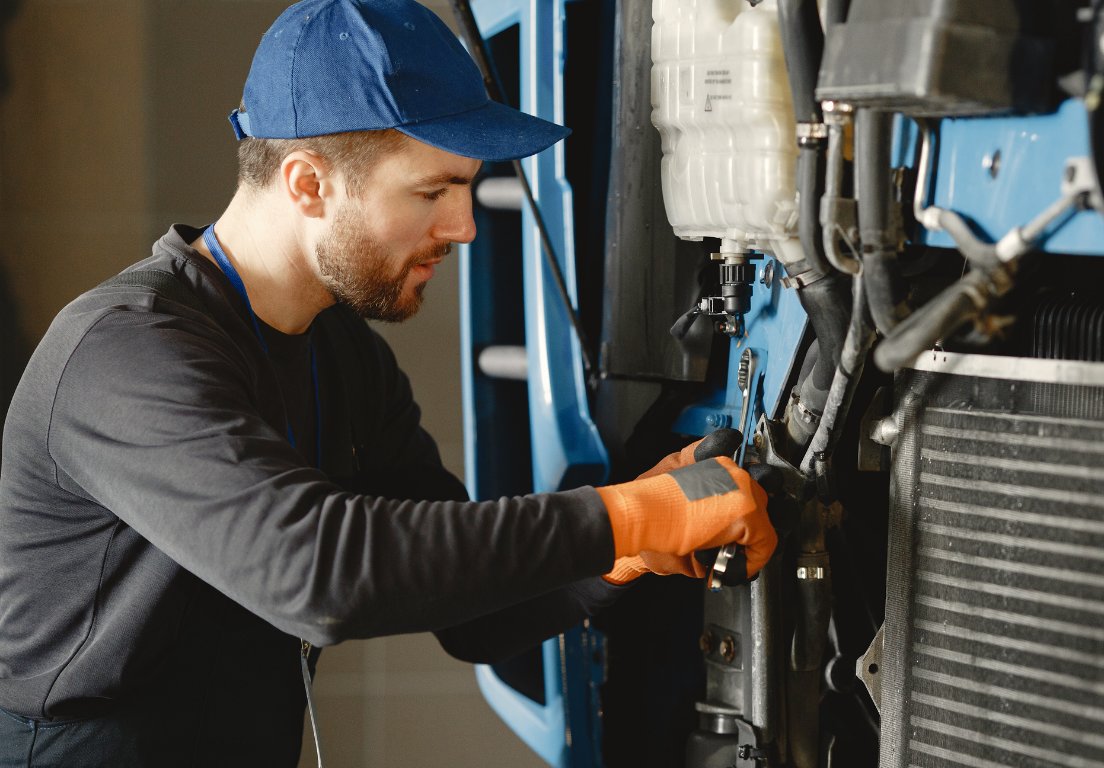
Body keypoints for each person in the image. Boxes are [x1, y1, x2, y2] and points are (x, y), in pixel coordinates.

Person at [0, 0, 777, 764]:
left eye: (468, 188)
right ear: (308, 184)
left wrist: (620, 555)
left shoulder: (339, 352)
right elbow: (317, 573)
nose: (466, 226)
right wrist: (625, 516)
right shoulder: (124, 351)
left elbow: (474, 611)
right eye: (432, 192)